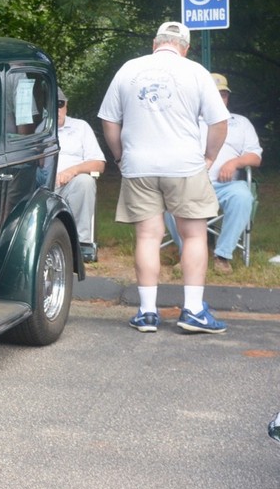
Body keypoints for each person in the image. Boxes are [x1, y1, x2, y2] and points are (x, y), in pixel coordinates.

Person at [98, 21, 230, 334]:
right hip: (184, 164)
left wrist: (120, 157)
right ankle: (194, 310)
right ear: (184, 47)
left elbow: (108, 120)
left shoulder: (129, 69)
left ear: (155, 43)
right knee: (194, 234)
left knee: (148, 235)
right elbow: (219, 122)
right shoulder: (195, 71)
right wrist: (209, 156)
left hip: (139, 165)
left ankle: (146, 313)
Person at [164, 72, 263, 274]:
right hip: (190, 183)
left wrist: (235, 162)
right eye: (215, 94)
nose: (221, 99)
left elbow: (255, 157)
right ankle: (188, 253)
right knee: (168, 198)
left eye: (224, 95)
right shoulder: (185, 121)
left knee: (243, 196)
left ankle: (222, 255)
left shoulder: (240, 122)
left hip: (226, 186)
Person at [55, 88, 105, 260]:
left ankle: (80, 244)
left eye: (60, 104)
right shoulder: (37, 130)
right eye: (52, 104)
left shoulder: (81, 127)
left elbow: (99, 164)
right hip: (41, 185)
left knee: (85, 181)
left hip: (70, 185)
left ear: (66, 106)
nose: (57, 109)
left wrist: (72, 171)